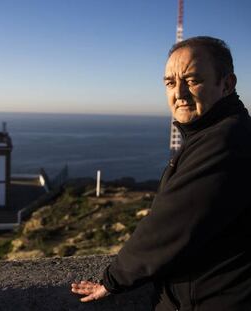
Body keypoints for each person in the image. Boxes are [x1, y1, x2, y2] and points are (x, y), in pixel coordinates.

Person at [71, 36, 251, 310]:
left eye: (192, 80)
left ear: (226, 84)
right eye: (170, 82)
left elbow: (170, 224)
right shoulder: (221, 132)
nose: (178, 93)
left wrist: (112, 280)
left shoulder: (225, 140)